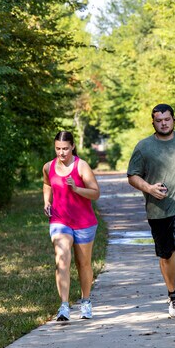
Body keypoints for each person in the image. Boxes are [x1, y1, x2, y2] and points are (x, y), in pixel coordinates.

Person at [127, 103, 175, 318]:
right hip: (158, 210)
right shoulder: (144, 147)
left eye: (167, 119)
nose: (163, 123)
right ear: (153, 122)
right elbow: (132, 175)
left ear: (173, 119)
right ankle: (173, 296)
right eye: (159, 120)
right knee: (166, 255)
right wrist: (149, 188)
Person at [43, 131, 100, 321]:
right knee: (62, 259)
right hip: (60, 220)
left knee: (83, 263)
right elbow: (47, 184)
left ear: (73, 147)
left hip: (84, 222)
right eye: (58, 148)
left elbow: (95, 193)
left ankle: (85, 301)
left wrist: (76, 188)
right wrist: (46, 202)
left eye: (65, 148)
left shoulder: (81, 166)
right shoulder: (48, 166)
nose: (61, 153)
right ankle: (64, 306)